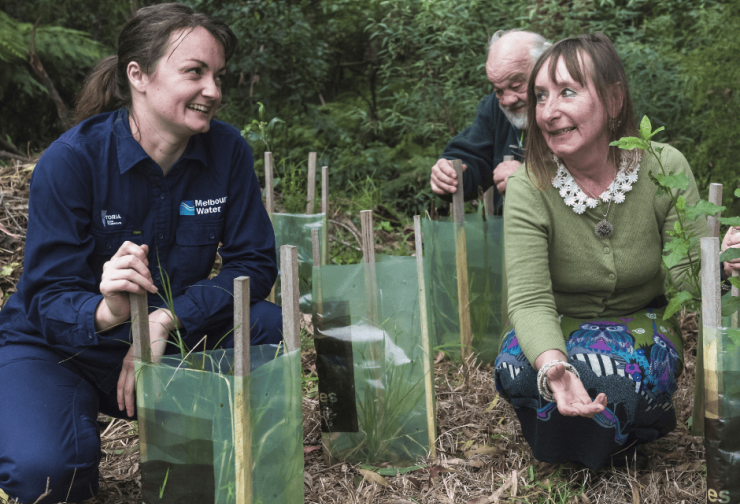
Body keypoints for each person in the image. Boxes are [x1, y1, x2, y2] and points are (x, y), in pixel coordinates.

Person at [0, 3, 282, 502]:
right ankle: (48, 420)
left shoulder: (228, 151)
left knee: (266, 326)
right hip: (61, 348)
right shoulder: (71, 161)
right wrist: (107, 310)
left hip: (166, 342)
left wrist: (164, 319)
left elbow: (253, 263)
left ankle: (219, 449)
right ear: (139, 76)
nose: (213, 91)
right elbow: (47, 299)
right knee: (46, 473)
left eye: (218, 75)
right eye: (194, 72)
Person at [493, 33, 731, 469]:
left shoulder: (664, 167)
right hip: (560, 323)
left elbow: (688, 274)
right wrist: (552, 366)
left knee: (613, 374)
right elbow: (528, 299)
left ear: (614, 99)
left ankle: (626, 438)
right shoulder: (529, 184)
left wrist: (722, 264)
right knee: (519, 368)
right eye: (541, 96)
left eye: (568, 92)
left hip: (639, 321)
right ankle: (561, 439)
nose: (549, 111)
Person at [429, 30, 549, 205]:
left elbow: (591, 175)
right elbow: (474, 153)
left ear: (545, 67)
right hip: (508, 229)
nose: (508, 101)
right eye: (498, 90)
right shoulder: (495, 107)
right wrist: (450, 174)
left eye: (516, 85)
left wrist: (531, 179)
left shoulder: (575, 106)